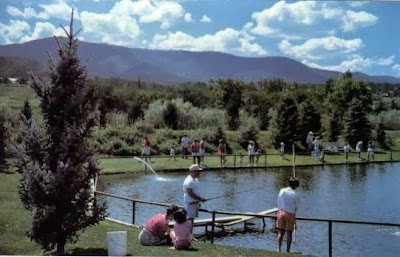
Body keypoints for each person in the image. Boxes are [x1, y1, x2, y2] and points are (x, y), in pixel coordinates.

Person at [276, 177, 300, 253]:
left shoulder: (282, 190)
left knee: (281, 232)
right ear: (295, 186)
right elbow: (296, 206)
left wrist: (280, 210)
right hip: (290, 214)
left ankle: (278, 249)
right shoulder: (295, 194)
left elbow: (278, 201)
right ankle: (288, 251)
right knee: (289, 233)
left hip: (281, 212)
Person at [183, 164, 206, 239]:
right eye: (198, 171)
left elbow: (195, 191)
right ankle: (188, 236)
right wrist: (200, 199)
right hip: (190, 203)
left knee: (192, 220)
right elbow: (190, 193)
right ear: (193, 171)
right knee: (189, 220)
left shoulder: (194, 180)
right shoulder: (189, 181)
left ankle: (190, 235)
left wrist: (198, 201)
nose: (199, 173)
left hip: (194, 203)